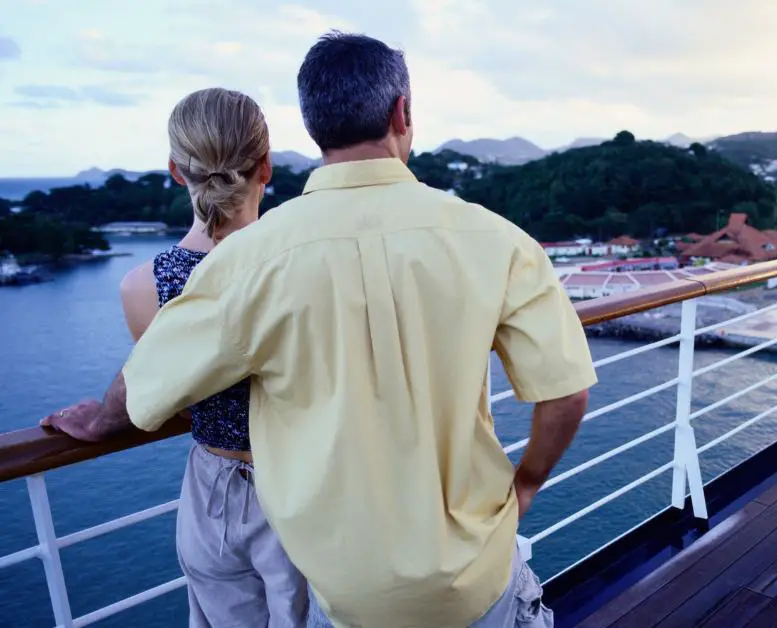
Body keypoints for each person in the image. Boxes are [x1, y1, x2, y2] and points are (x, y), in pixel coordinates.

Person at [42, 31, 595, 628]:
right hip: (475, 575)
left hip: (345, 591)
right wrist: (528, 484)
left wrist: (99, 418)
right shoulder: (497, 239)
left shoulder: (249, 260)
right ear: (401, 113)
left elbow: (148, 380)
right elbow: (565, 393)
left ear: (313, 127)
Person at [116, 87, 309, 627]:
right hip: (302, 484)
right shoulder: (301, 264)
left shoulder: (143, 287)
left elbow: (177, 401)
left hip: (211, 494)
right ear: (265, 166)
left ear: (176, 171)